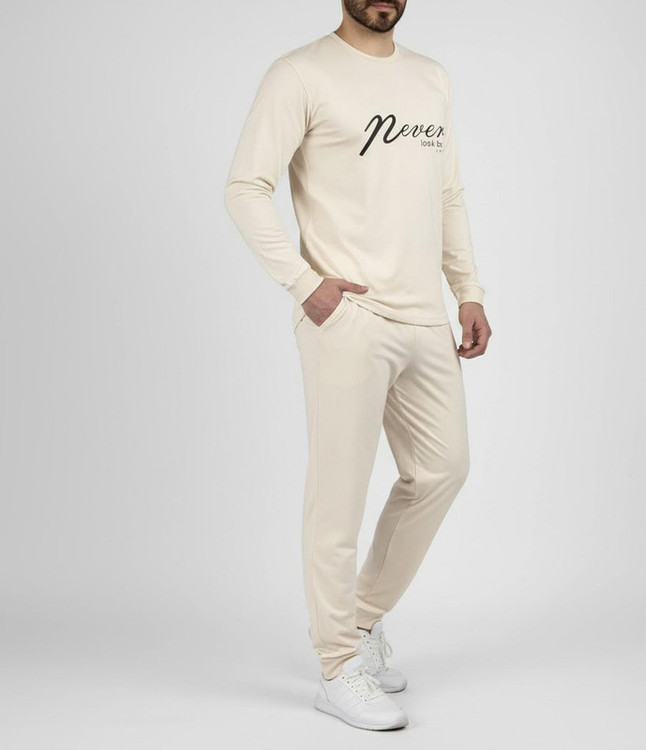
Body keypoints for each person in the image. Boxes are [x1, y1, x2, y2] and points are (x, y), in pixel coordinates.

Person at [224, 0, 492, 731]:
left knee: (442, 470)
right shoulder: (301, 74)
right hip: (348, 317)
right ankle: (337, 665)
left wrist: (467, 289)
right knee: (336, 497)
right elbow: (245, 187)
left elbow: (447, 193)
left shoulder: (431, 77)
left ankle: (361, 620)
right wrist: (304, 283)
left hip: (425, 315)